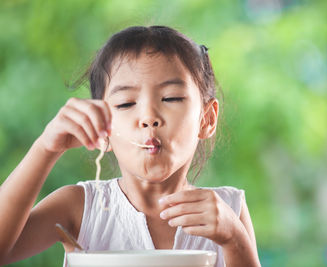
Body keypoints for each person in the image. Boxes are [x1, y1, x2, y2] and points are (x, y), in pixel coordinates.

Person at [0, 25, 260, 267]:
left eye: (171, 97)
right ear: (103, 127)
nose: (149, 117)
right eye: (125, 103)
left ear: (207, 119)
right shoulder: (80, 207)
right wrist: (46, 148)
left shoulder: (228, 209)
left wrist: (234, 238)